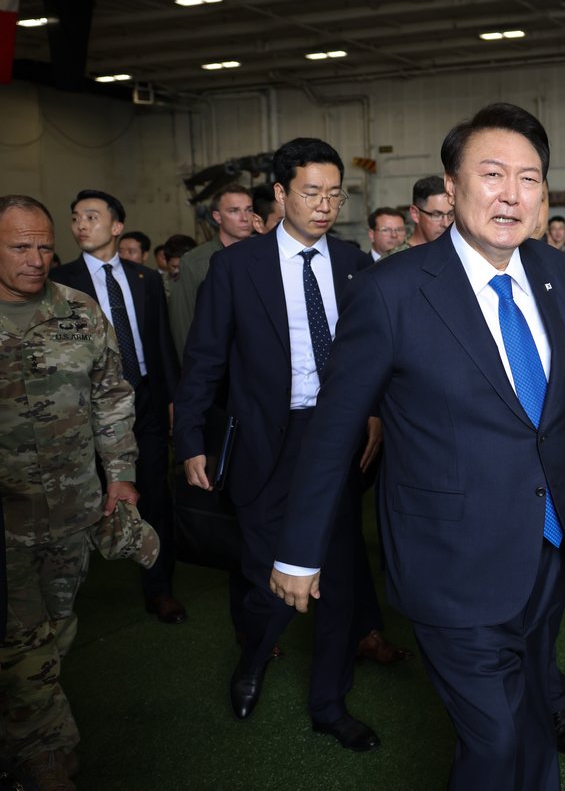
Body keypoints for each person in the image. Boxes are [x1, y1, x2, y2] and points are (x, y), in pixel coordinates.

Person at [267, 104, 565, 791]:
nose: (511, 195)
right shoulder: (393, 291)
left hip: (550, 547)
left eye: (529, 178)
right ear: (451, 184)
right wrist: (299, 550)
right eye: (491, 174)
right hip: (452, 564)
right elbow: (336, 425)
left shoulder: (563, 277)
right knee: (493, 739)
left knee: (531, 715)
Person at [174, 138, 381, 747]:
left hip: (337, 439)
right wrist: (189, 440)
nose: (324, 205)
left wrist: (372, 415)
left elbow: (372, 356)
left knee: (339, 575)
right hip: (267, 441)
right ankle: (254, 658)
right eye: (311, 192)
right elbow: (204, 361)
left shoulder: (351, 262)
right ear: (281, 194)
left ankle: (329, 704)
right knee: (269, 576)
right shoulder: (238, 267)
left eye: (334, 193)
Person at [1, 195, 140, 791]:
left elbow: (112, 396)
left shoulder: (80, 311)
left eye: (43, 246)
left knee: (56, 633)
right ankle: (47, 755)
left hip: (73, 511)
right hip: (6, 523)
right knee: (22, 643)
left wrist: (122, 475)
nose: (35, 259)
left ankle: (29, 729)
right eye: (18, 247)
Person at [50, 190, 184, 622]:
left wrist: (170, 400)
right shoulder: (61, 282)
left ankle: (159, 586)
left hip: (143, 396)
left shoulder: (143, 278)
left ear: (117, 226)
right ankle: (66, 596)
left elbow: (161, 344)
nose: (81, 225)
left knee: (155, 494)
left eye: (91, 216)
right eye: (75, 218)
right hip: (85, 405)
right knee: (80, 498)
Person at [168, 184, 255, 359]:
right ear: (217, 217)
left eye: (249, 210)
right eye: (234, 211)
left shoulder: (263, 255)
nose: (245, 218)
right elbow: (183, 324)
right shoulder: (195, 261)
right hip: (216, 366)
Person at [406, 174, 453, 247]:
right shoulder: (396, 257)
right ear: (415, 214)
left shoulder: (457, 251)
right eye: (437, 215)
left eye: (451, 214)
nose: (446, 224)